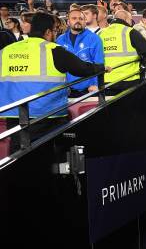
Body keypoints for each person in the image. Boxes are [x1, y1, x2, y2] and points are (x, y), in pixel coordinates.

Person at [0, 12, 109, 152]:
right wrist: (102, 68)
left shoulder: (6, 51)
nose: (55, 34)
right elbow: (81, 69)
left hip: (13, 115)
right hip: (47, 115)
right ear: (47, 32)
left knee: (19, 154)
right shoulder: (53, 50)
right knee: (50, 157)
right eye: (54, 31)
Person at [98, 9, 146, 91]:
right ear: (126, 19)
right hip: (129, 80)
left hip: (106, 81)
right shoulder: (130, 31)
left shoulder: (100, 33)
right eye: (131, 20)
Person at [56, 9, 104, 97]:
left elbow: (99, 63)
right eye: (74, 18)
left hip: (89, 89)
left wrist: (95, 84)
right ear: (68, 22)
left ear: (85, 22)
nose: (78, 21)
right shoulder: (60, 40)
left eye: (81, 19)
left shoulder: (94, 38)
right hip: (67, 89)